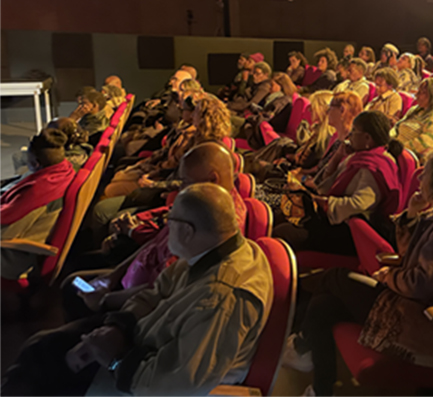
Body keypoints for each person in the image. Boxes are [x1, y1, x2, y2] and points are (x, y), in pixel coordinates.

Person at [2, 183, 273, 396]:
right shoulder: (213, 251)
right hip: (140, 339)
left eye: (170, 221)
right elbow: (155, 294)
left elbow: (178, 384)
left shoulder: (222, 297)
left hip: (141, 373)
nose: (166, 227)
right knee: (42, 347)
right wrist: (118, 326)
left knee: (41, 373)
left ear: (187, 231)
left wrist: (115, 359)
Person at [282, 147, 433, 397]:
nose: (419, 176)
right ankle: (320, 388)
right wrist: (412, 213)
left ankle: (300, 341)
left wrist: (386, 276)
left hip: (425, 321)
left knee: (335, 278)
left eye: (426, 173)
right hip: (408, 303)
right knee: (324, 305)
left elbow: (419, 285)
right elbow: (407, 253)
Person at [65, 142, 250, 321]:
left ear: (212, 179)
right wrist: (112, 276)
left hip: (137, 307)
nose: (180, 188)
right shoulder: (200, 201)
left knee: (71, 289)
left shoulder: (215, 225)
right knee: (74, 275)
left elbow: (163, 289)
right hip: (129, 280)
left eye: (185, 182)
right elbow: (155, 243)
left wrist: (106, 301)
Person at [273, 111, 402, 256]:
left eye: (354, 131)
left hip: (349, 231)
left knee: (283, 232)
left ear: (367, 138)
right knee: (279, 215)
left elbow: (359, 205)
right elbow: (324, 184)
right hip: (333, 218)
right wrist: (338, 156)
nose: (350, 135)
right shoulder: (359, 156)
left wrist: (320, 201)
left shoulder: (374, 166)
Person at [1, 129, 77, 279]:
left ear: (36, 163)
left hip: (14, 257)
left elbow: (5, 234)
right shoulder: (64, 171)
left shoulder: (37, 194)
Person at [391, 78, 433, 161]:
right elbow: (397, 127)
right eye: (418, 91)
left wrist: (398, 148)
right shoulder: (415, 109)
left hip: (408, 157)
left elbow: (427, 143)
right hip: (396, 148)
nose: (417, 95)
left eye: (422, 93)